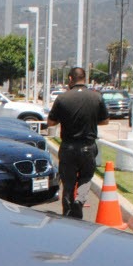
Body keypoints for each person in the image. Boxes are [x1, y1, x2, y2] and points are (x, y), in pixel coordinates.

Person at [47, 66, 109, 219]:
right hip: (88, 147)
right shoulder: (96, 97)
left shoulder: (62, 98)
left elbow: (50, 122)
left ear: (70, 79)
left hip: (68, 147)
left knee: (68, 183)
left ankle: (68, 213)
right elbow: (105, 121)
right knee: (86, 178)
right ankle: (80, 200)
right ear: (85, 78)